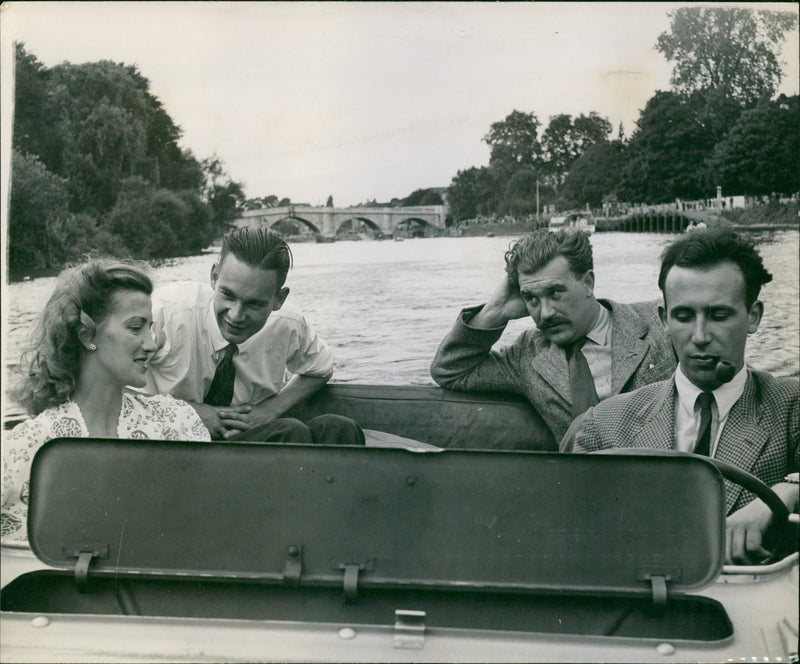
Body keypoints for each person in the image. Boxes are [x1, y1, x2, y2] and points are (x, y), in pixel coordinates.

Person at [561, 228, 799, 564]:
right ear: (664, 320)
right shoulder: (604, 424)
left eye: (718, 315)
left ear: (753, 317)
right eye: (684, 317)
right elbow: (571, 535)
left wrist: (787, 491)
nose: (700, 336)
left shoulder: (791, 407)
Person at [2, 259, 211, 544]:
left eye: (150, 328)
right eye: (136, 328)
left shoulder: (177, 421)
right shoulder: (29, 444)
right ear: (87, 335)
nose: (151, 343)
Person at [430, 228, 676, 443]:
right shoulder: (528, 354)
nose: (545, 314)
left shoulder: (660, 321)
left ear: (588, 283)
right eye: (532, 299)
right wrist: (496, 311)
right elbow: (450, 369)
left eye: (556, 292)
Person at [143, 226, 364, 445]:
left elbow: (320, 368)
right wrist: (187, 412)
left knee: (339, 428)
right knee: (290, 432)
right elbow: (110, 385)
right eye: (228, 295)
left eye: (255, 304)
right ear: (214, 277)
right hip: (173, 444)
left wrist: (269, 410)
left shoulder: (288, 324)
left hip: (243, 442)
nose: (236, 315)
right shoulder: (165, 311)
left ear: (279, 299)